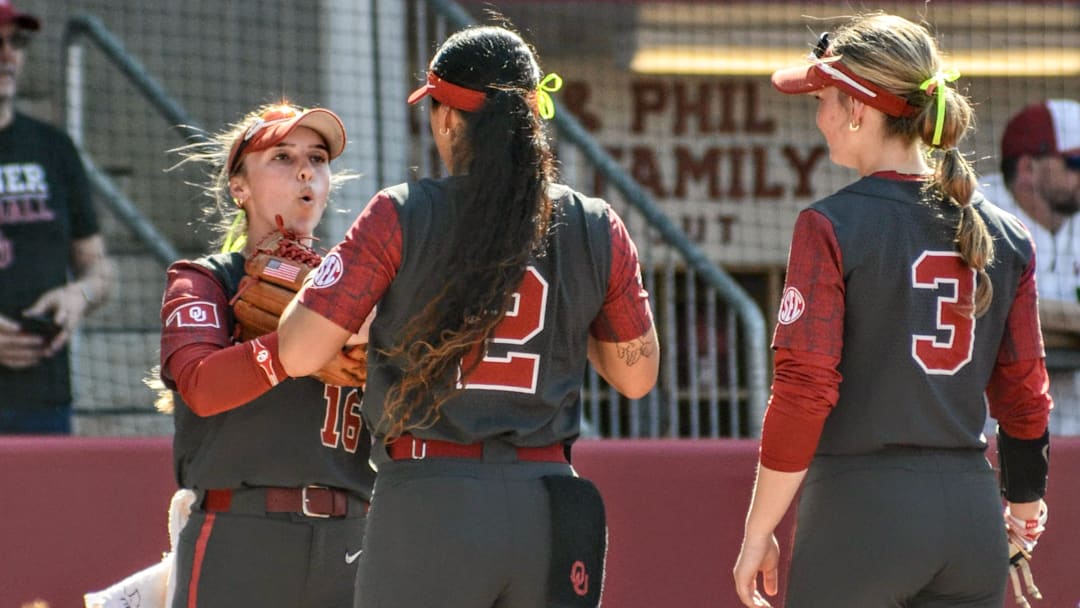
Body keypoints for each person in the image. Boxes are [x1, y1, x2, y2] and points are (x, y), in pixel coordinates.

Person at [277, 24, 659, 608]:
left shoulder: (401, 213)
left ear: (449, 119)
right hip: (548, 504)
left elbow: (298, 351)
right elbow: (637, 376)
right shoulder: (596, 223)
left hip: (432, 502)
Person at [733, 14, 1051, 608]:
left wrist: (758, 531)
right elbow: (1025, 394)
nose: (820, 116)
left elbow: (803, 389)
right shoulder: (1009, 236)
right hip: (970, 516)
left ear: (858, 107)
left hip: (861, 512)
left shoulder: (829, 224)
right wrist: (1025, 507)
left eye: (826, 99)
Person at [158, 102, 375, 608]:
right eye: (281, 156)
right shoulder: (208, 279)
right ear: (240, 188)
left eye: (317, 158)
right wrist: (298, 350)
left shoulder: (367, 295)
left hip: (352, 537)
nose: (305, 169)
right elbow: (202, 385)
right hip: (240, 531)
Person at [0, 0, 115, 434]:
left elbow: (98, 268)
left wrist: (78, 296)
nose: (8, 56)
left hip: (43, 400)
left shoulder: (54, 148)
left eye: (16, 42)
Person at [980, 99, 1080, 436]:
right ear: (1028, 169)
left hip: (1072, 423)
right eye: (1074, 162)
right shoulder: (976, 213)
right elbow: (988, 313)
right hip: (993, 427)